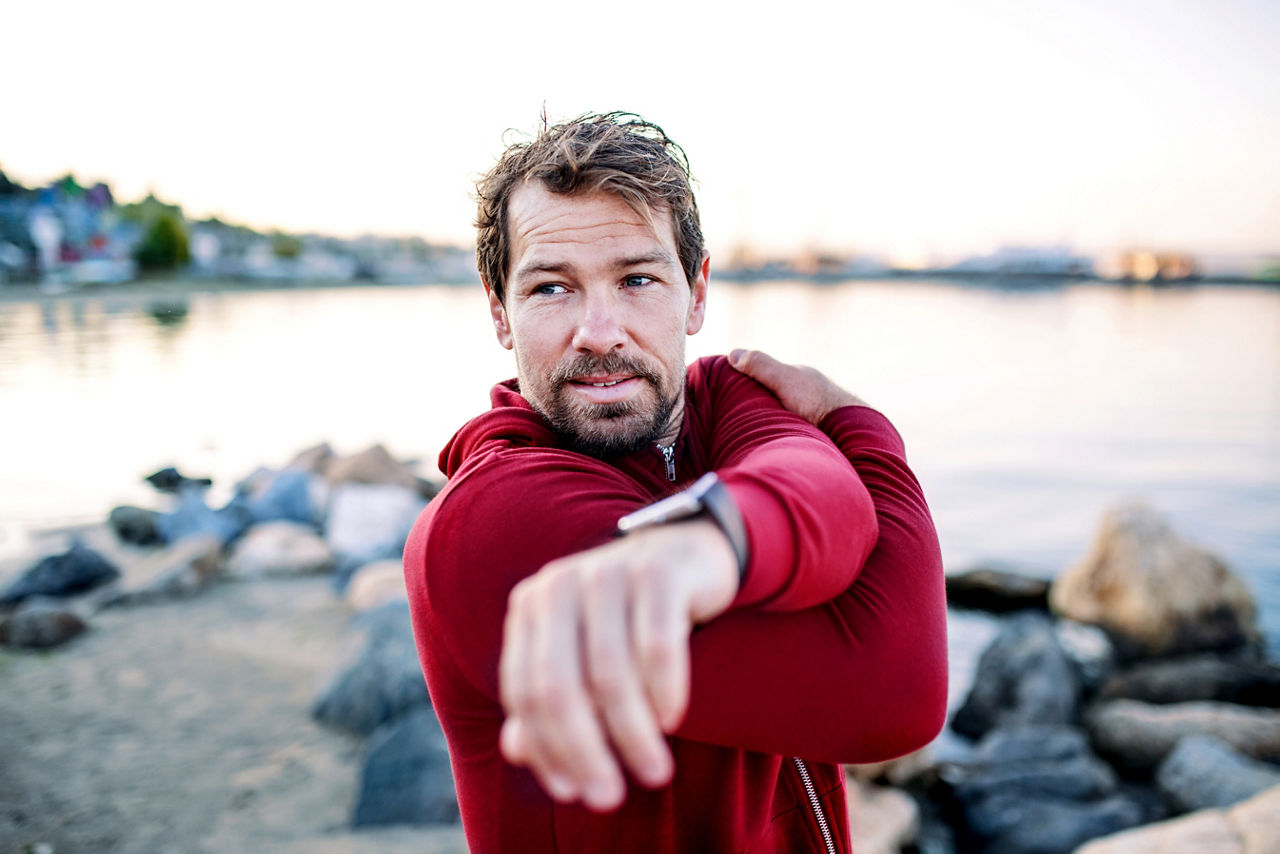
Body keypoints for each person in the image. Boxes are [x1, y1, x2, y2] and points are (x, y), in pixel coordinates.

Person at [403, 112, 948, 853]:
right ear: (500, 312)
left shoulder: (725, 396)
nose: (600, 331)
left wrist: (712, 541)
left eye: (637, 279)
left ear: (696, 294)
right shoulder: (491, 524)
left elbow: (823, 486)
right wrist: (862, 429)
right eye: (551, 289)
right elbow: (895, 698)